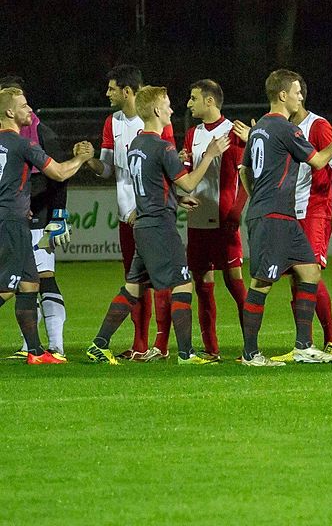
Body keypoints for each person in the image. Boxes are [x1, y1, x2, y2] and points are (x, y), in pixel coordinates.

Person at [85, 86, 228, 365]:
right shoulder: (163, 146)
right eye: (168, 105)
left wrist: (176, 199)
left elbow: (154, 182)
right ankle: (186, 354)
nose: (173, 110)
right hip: (160, 226)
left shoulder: (138, 143)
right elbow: (187, 181)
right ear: (156, 111)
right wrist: (209, 155)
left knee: (133, 288)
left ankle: (98, 345)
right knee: (183, 284)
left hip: (144, 224)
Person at [236, 69, 332, 367]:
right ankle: (250, 353)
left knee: (310, 271)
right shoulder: (286, 128)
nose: (301, 96)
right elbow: (318, 161)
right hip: (274, 216)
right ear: (283, 95)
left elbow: (244, 170)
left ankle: (303, 346)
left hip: (278, 214)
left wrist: (257, 195)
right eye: (297, 91)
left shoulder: (260, 127)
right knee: (262, 283)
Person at [85, 65, 172, 361]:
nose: (107, 93)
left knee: (159, 279)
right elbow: (107, 168)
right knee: (134, 280)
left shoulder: (157, 122)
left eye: (111, 88)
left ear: (126, 91)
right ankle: (139, 343)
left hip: (149, 215)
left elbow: (167, 169)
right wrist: (89, 161)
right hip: (126, 217)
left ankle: (160, 345)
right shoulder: (112, 122)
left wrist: (149, 208)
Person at [0, 87, 93, 364]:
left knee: (30, 284)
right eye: (24, 106)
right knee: (6, 287)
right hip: (12, 223)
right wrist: (82, 158)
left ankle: (36, 353)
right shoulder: (23, 144)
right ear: (9, 112)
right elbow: (59, 172)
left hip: (11, 220)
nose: (30, 110)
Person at [163, 79, 249, 363]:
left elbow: (245, 178)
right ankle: (211, 350)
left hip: (224, 222)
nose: (189, 103)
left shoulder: (233, 132)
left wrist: (235, 213)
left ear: (209, 101)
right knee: (202, 288)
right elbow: (186, 175)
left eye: (193, 98)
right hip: (197, 221)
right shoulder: (192, 134)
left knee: (235, 285)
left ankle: (251, 347)